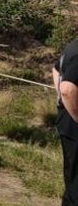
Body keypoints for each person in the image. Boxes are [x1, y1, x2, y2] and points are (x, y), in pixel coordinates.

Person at [54, 38, 78, 205]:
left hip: (66, 121)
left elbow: (56, 70)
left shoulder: (73, 45)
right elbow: (68, 89)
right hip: (73, 126)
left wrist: (60, 99)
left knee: (72, 178)